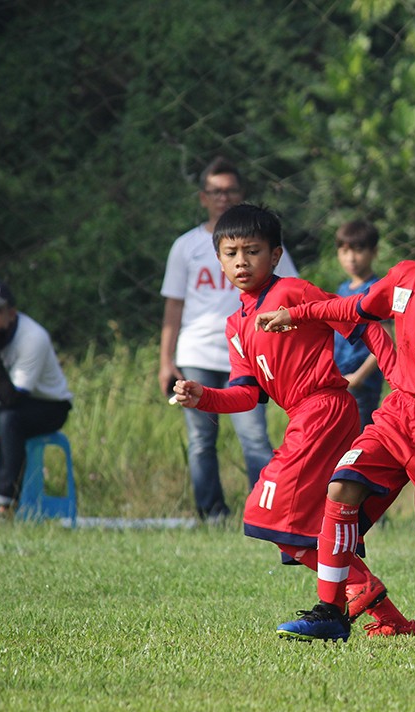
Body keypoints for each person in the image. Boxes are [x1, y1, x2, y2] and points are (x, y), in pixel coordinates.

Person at [254, 171, 415, 643]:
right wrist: (296, 314)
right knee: (342, 487)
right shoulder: (406, 276)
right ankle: (330, 612)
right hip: (398, 414)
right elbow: (355, 308)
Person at [170, 203, 415, 638]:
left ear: (276, 255)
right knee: (310, 524)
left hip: (324, 409)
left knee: (268, 512)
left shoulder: (293, 294)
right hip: (304, 416)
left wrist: (396, 371)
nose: (241, 261)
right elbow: (247, 394)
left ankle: (352, 597)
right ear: (219, 259)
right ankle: (387, 618)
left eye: (252, 251)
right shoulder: (235, 324)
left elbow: (357, 319)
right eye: (231, 253)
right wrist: (202, 396)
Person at [159, 156, 299, 521]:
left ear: (241, 195)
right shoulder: (185, 246)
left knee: (254, 438)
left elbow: (294, 299)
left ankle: (265, 510)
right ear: (203, 197)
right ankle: (212, 514)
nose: (223, 197)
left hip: (252, 355)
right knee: (201, 441)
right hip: (197, 353)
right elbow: (174, 307)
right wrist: (166, 361)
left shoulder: (264, 243)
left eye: (231, 191)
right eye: (215, 191)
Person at [0, 279, 73, 516]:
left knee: (7, 419)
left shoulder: (33, 338)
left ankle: (5, 506)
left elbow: (11, 400)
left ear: (11, 314)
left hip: (48, 405)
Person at [332, 219, 385, 430]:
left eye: (359, 250)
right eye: (344, 251)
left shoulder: (377, 290)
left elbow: (386, 343)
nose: (351, 258)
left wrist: (358, 377)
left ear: (374, 252)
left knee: (358, 447)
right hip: (339, 381)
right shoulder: (342, 289)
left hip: (361, 386)